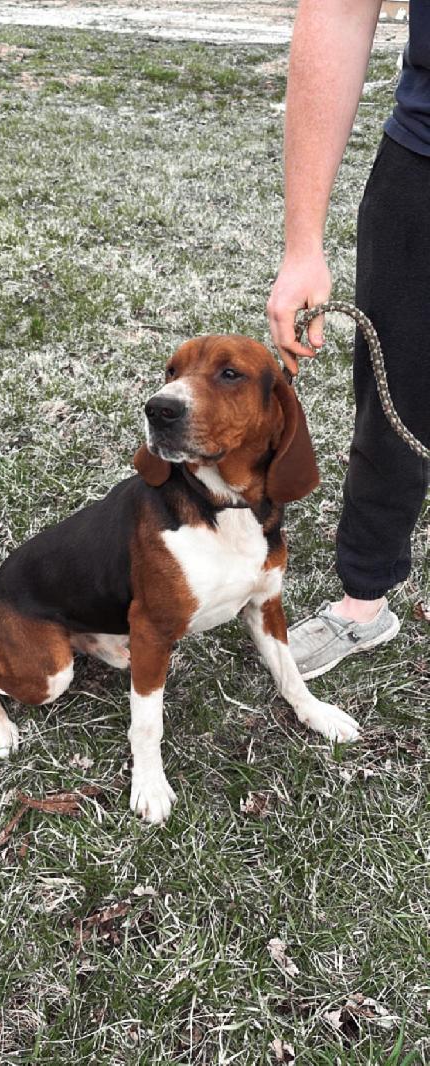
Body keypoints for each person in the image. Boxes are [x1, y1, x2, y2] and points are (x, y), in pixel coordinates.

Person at [267, 0, 430, 680]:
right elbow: (337, 12)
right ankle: (364, 599)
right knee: (395, 404)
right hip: (423, 165)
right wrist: (302, 245)